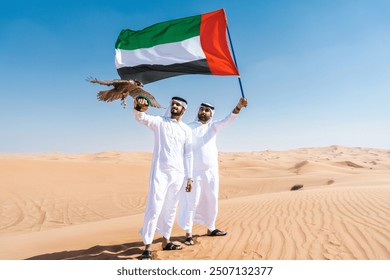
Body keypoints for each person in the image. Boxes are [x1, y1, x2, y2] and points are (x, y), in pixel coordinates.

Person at [178, 97, 248, 245]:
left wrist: (239, 107)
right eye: (202, 109)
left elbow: (228, 119)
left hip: (211, 172)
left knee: (212, 199)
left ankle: (211, 228)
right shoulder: (188, 127)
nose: (203, 112)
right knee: (192, 202)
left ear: (211, 114)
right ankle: (188, 233)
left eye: (207, 110)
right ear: (198, 111)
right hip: (193, 172)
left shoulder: (213, 127)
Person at [133, 96, 193, 260]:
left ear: (184, 109)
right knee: (154, 207)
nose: (174, 106)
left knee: (171, 208)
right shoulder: (160, 122)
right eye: (172, 104)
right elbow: (142, 118)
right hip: (160, 172)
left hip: (178, 174)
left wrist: (189, 177)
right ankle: (147, 247)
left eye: (178, 105)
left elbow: (188, 154)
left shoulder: (186, 130)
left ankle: (166, 241)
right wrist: (139, 108)